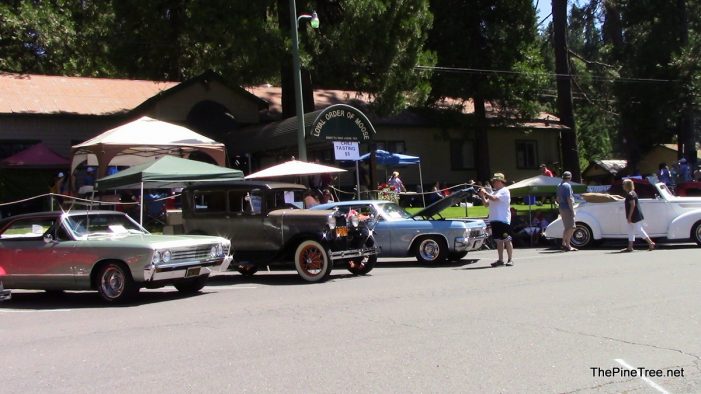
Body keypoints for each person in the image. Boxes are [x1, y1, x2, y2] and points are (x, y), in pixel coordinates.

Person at [478, 173, 514, 267]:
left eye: (494, 181)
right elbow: (486, 204)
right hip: (494, 220)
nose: (493, 183)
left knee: (507, 239)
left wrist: (485, 192)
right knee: (499, 241)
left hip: (503, 220)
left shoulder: (504, 191)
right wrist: (482, 195)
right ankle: (500, 260)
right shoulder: (494, 192)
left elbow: (494, 199)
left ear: (499, 181)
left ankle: (510, 259)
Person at [622, 178, 655, 252]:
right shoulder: (631, 193)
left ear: (627, 185)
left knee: (638, 229)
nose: (622, 185)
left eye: (623, 184)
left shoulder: (630, 194)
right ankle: (630, 247)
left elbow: (633, 205)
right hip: (634, 215)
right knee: (630, 230)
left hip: (634, 215)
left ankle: (650, 242)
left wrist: (629, 217)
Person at [557, 170, 577, 251]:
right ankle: (568, 245)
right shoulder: (567, 186)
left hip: (561, 207)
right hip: (567, 208)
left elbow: (557, 199)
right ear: (570, 177)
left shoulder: (559, 185)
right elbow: (569, 199)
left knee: (567, 227)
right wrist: (572, 211)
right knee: (572, 227)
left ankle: (564, 244)